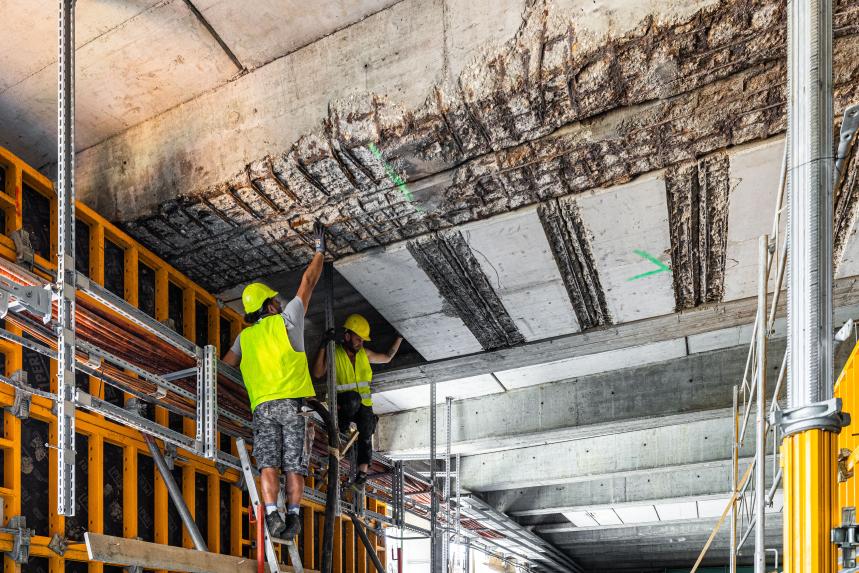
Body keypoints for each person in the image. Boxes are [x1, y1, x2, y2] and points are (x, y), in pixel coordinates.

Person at [222, 222, 326, 539]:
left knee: (268, 465)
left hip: (263, 409)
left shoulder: (244, 338)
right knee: (294, 466)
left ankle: (271, 515)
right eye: (275, 300)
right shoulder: (287, 320)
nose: (279, 302)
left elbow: (225, 367)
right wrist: (320, 250)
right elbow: (308, 281)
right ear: (270, 305)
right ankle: (292, 518)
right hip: (294, 407)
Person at [311, 314, 402, 485]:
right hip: (342, 405)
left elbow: (388, 356)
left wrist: (399, 337)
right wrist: (323, 346)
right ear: (347, 336)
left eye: (362, 340)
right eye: (358, 339)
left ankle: (362, 472)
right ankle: (342, 429)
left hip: (363, 406)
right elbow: (317, 373)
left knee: (368, 426)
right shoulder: (334, 352)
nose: (361, 343)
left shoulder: (364, 354)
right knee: (353, 398)